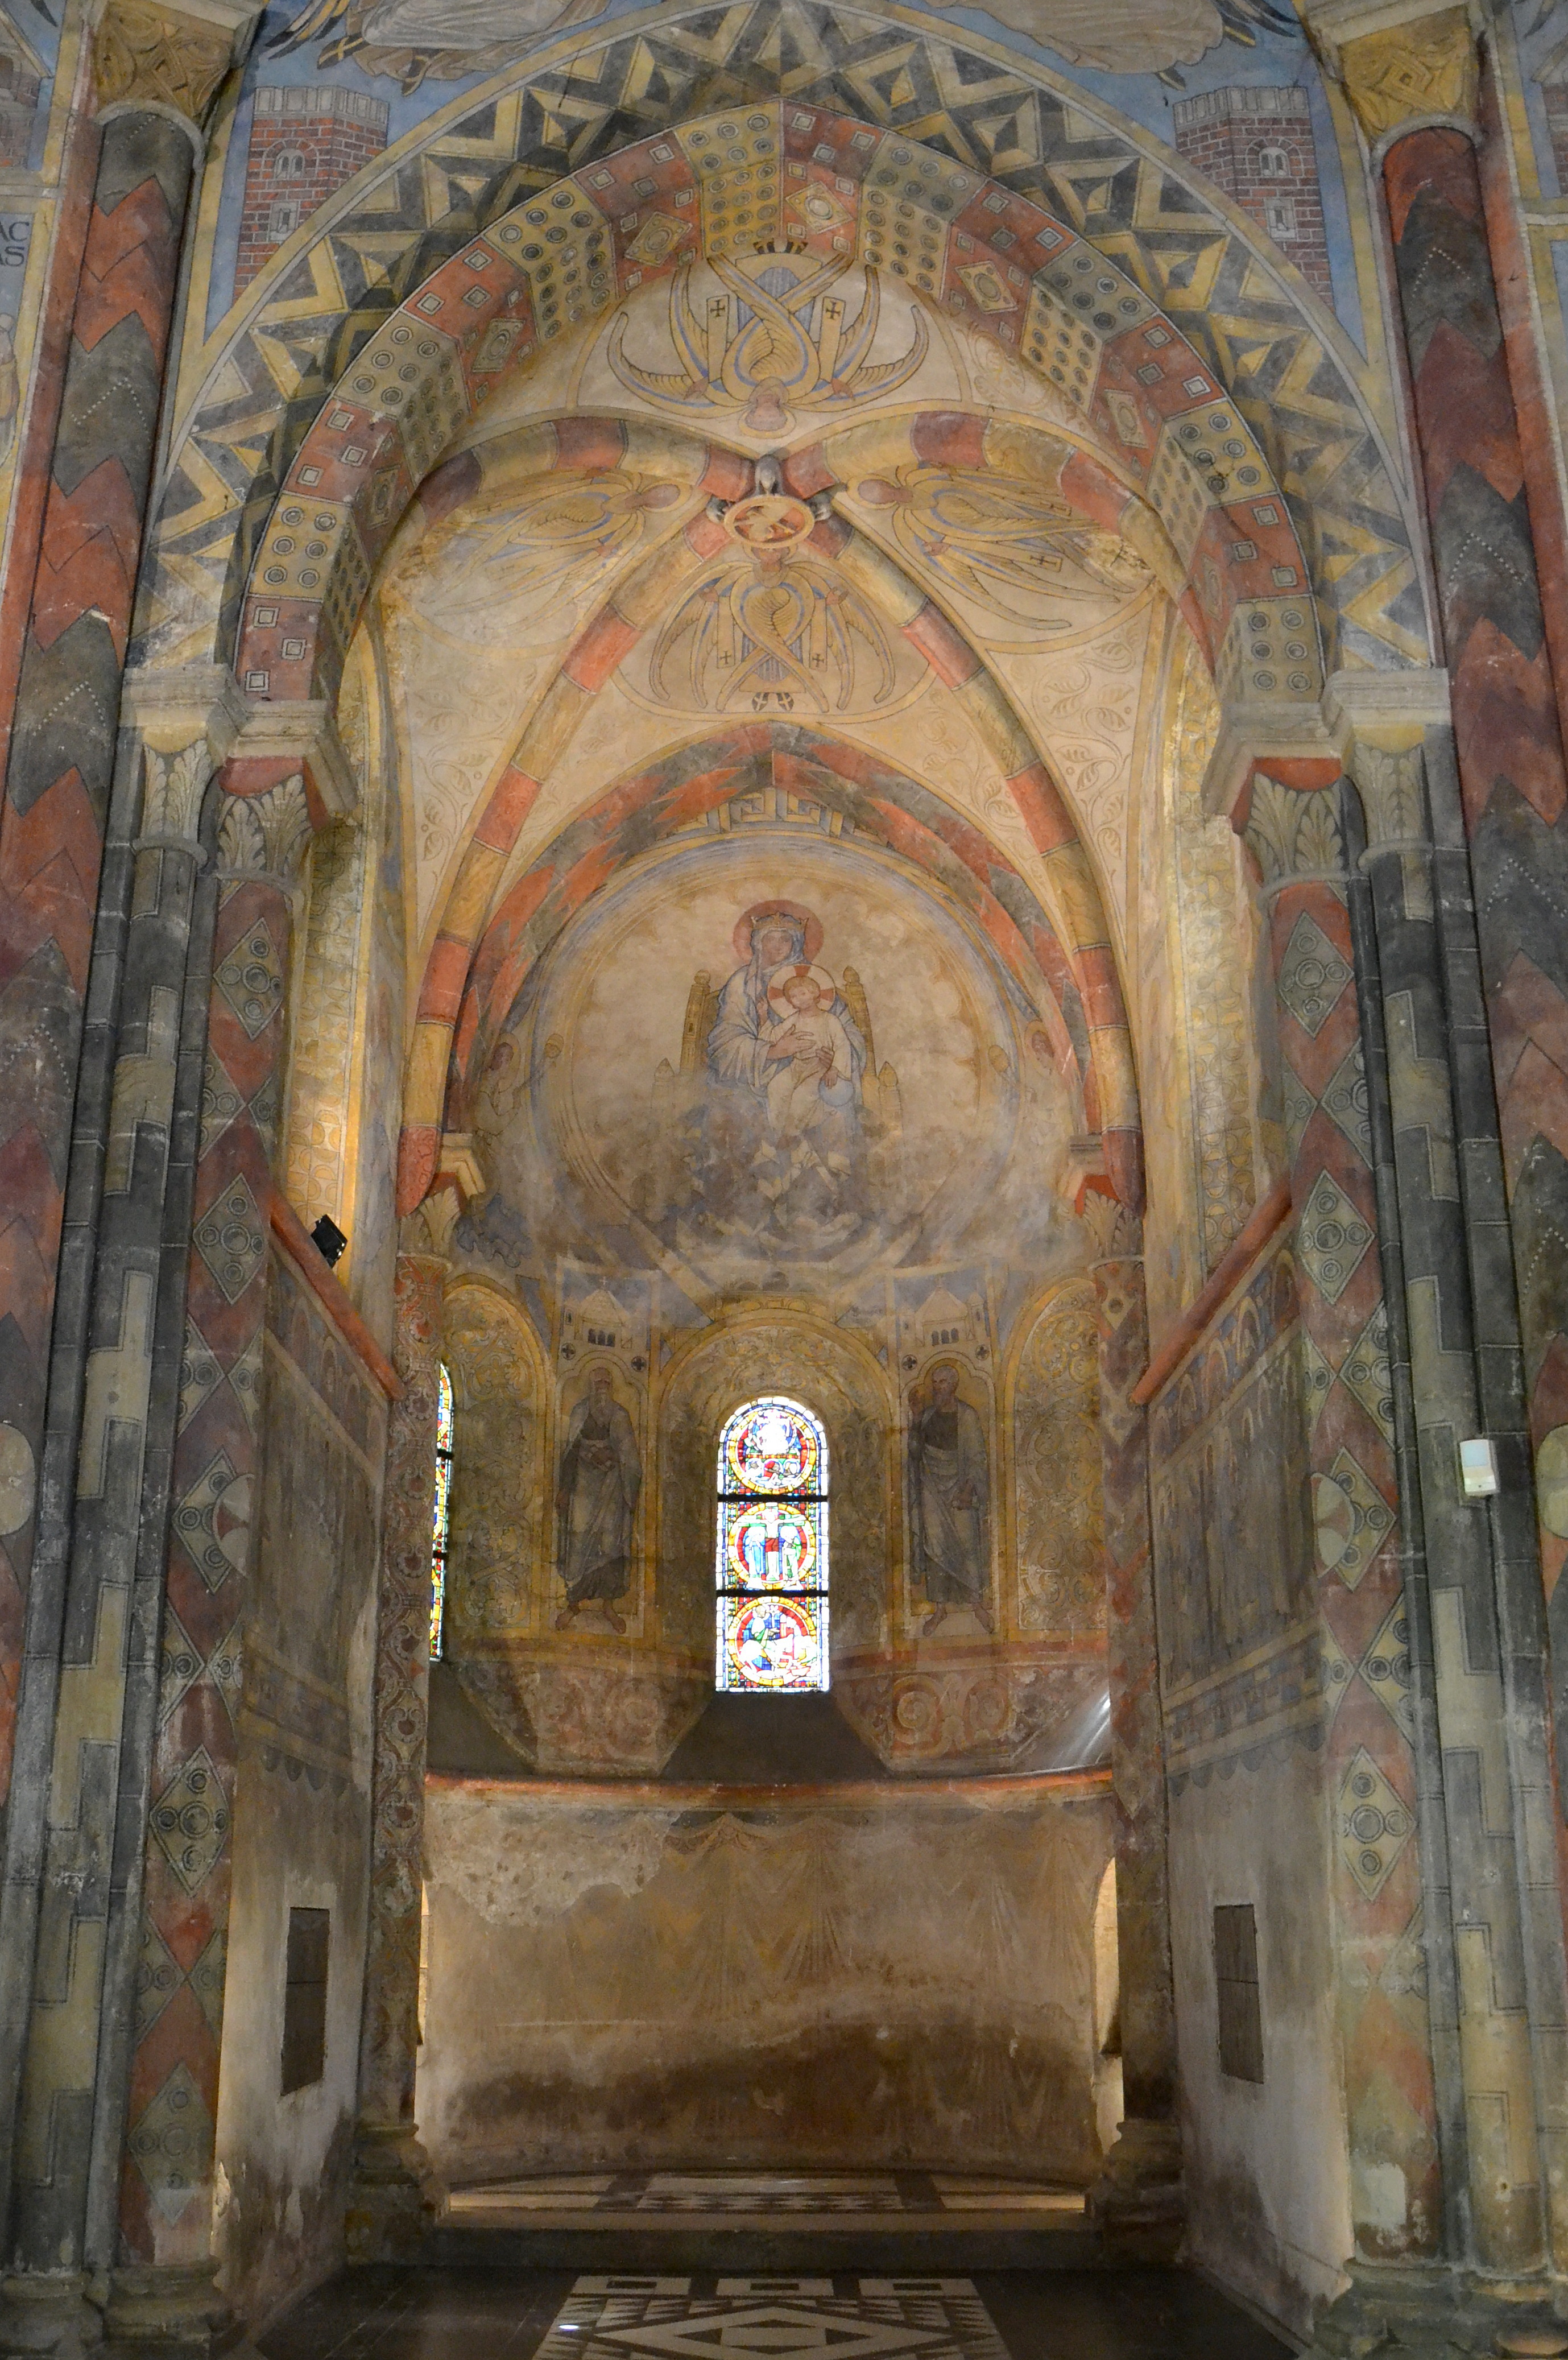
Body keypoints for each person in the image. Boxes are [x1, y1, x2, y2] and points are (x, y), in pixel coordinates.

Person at [908, 1362, 994, 1634]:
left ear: (953, 1385)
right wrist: (914, 1417)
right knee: (935, 1548)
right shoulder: (927, 1416)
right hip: (932, 1490)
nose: (937, 1388)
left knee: (968, 1546)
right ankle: (940, 1609)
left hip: (960, 1490)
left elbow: (977, 1457)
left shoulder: (966, 1416)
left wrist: (969, 1489)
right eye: (935, 1383)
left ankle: (978, 1605)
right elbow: (914, 1451)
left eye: (942, 1383)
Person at [555, 1367, 641, 1632]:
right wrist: (565, 1488)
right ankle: (573, 1604)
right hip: (583, 1488)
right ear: (591, 1386)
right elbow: (570, 1451)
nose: (602, 1387)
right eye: (598, 1382)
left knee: (611, 1545)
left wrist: (614, 1461)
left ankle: (608, 1605)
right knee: (579, 1544)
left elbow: (630, 1457)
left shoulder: (619, 1415)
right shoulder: (580, 1412)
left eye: (607, 1382)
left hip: (613, 1489)